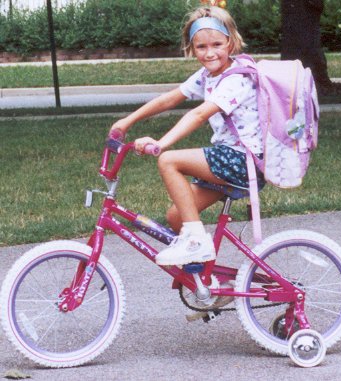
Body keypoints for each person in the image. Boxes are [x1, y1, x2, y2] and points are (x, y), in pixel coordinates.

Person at [109, 6, 264, 266]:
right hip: (229, 159)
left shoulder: (236, 79)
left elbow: (199, 115)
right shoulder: (207, 75)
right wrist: (127, 121)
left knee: (169, 160)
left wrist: (161, 144)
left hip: (242, 160)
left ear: (231, 41)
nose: (210, 52)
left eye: (217, 44)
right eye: (201, 47)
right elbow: (170, 98)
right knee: (176, 216)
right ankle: (209, 285)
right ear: (191, 48)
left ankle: (196, 242)